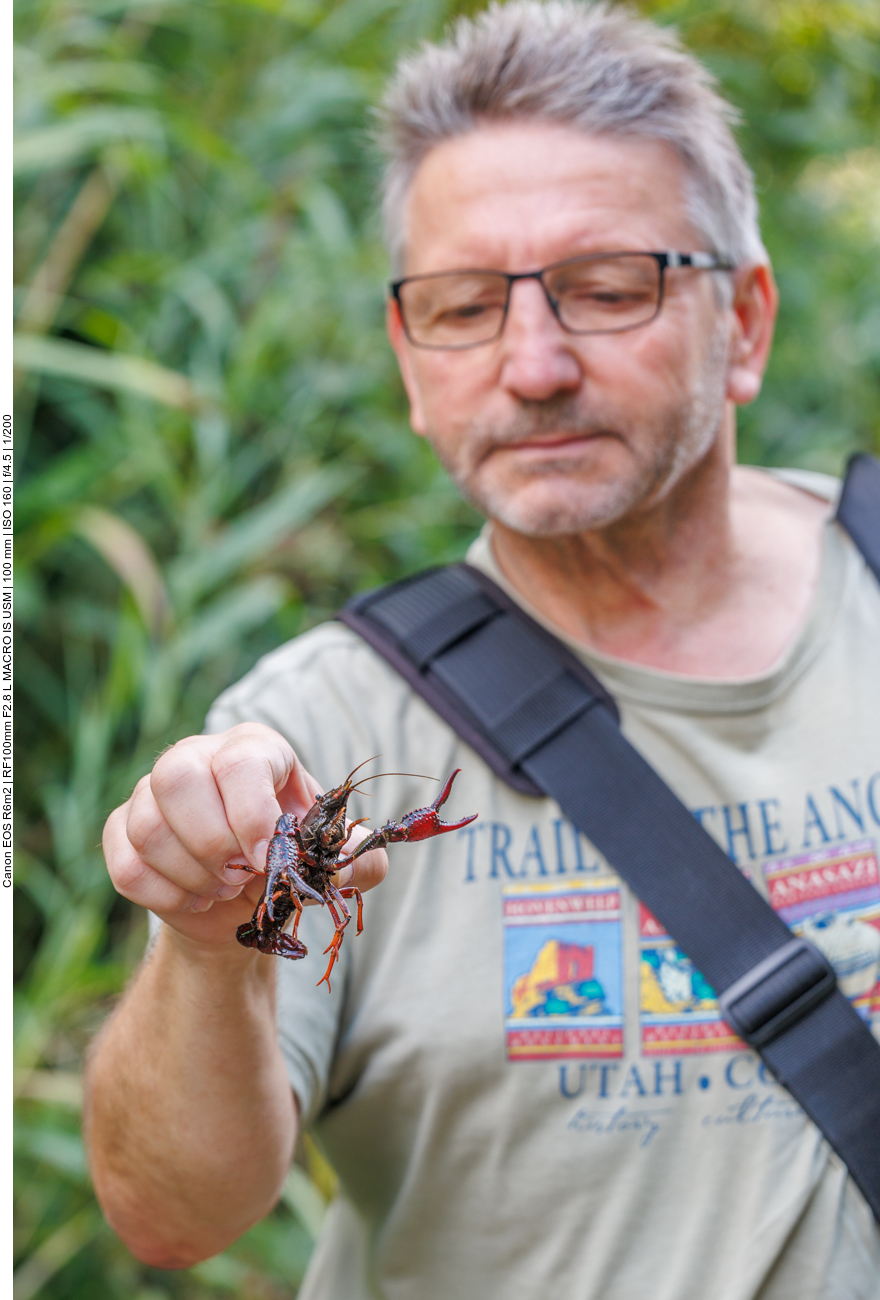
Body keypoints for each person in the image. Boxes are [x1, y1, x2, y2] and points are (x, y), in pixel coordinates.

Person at [85, 4, 880, 1297]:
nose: (533, 365)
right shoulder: (310, 731)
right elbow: (170, 1217)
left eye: (607, 289)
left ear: (744, 322)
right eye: (462, 307)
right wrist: (206, 947)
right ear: (410, 363)